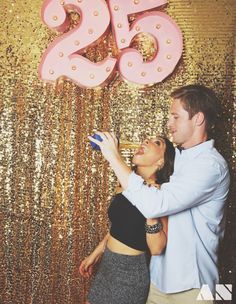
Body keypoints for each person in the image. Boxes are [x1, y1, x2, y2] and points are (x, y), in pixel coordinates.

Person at [88, 84, 230, 304]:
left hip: (194, 287)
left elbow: (155, 205)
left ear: (198, 119)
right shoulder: (181, 159)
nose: (169, 124)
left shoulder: (210, 165)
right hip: (158, 281)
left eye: (175, 117)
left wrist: (113, 157)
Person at [79, 136, 176, 304]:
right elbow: (118, 227)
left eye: (157, 142)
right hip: (107, 266)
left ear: (161, 162)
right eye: (146, 139)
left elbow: (157, 248)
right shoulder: (125, 182)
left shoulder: (160, 194)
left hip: (130, 273)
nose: (146, 141)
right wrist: (96, 253)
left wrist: (151, 213)